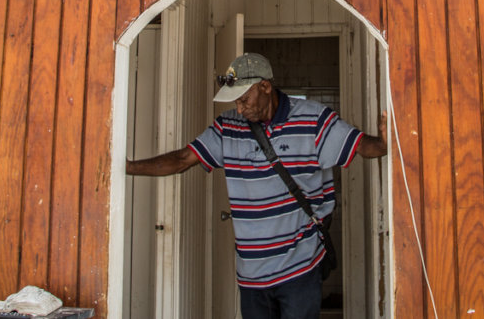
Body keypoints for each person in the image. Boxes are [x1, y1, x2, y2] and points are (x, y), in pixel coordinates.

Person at [127, 52, 387, 319]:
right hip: (251, 277)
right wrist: (128, 167)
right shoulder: (227, 126)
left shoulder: (313, 120)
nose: (239, 109)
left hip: (299, 268)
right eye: (236, 101)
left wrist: (383, 143)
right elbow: (183, 159)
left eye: (244, 99)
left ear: (265, 86)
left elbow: (361, 145)